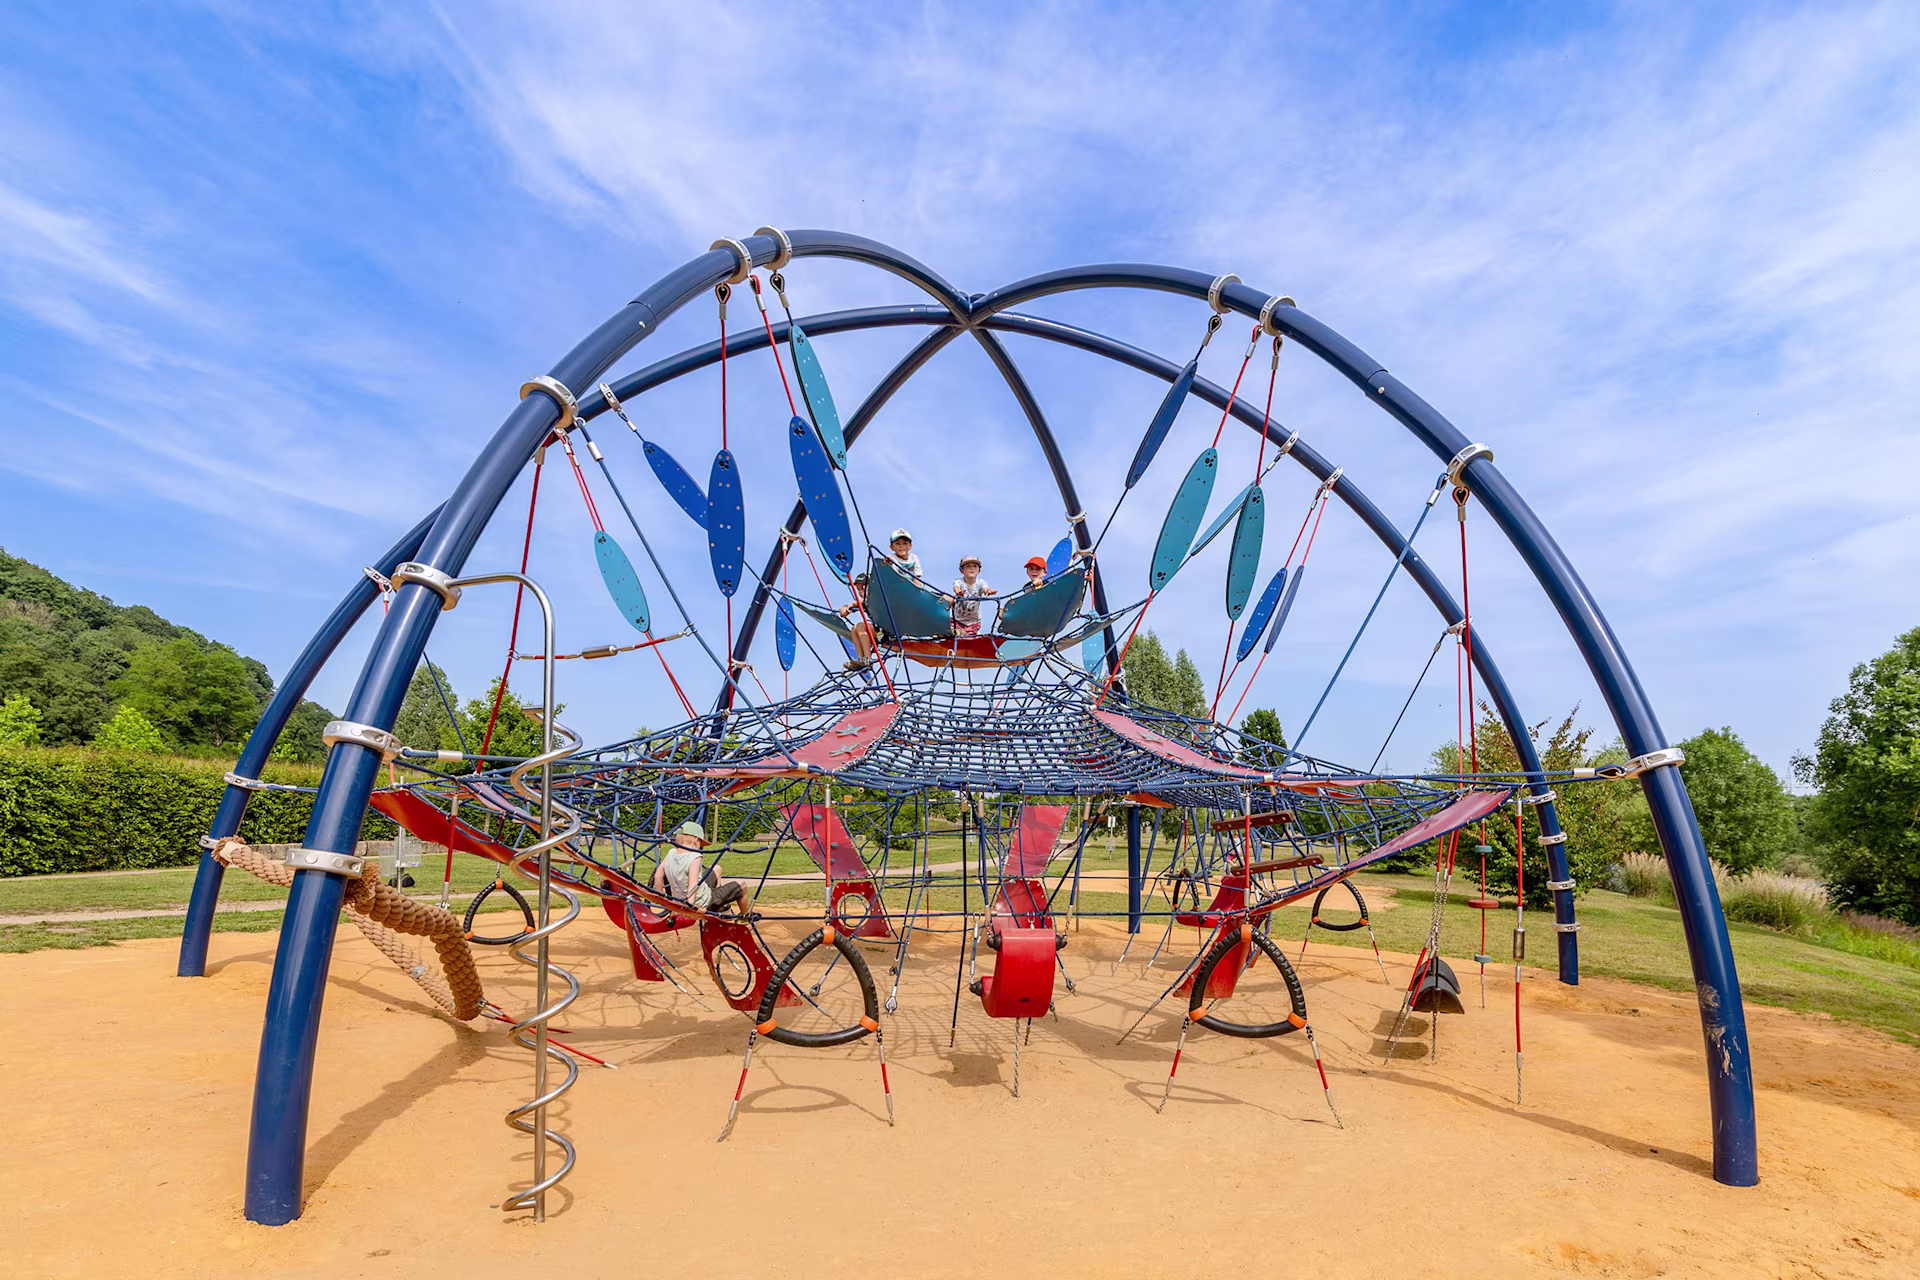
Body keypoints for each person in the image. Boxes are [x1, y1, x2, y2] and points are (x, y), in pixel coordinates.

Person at [652, 819, 744, 913]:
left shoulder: (671, 853)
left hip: (681, 898)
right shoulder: (695, 857)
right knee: (742, 885)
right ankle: (745, 916)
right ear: (696, 840)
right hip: (701, 901)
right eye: (700, 843)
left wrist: (660, 897)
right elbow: (693, 884)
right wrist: (691, 906)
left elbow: (658, 875)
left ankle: (721, 905)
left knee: (717, 868)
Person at [838, 572, 878, 667]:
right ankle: (861, 658)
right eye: (858, 590)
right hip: (877, 631)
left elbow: (862, 602)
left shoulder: (877, 598)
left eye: (863, 588)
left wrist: (853, 604)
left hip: (886, 631)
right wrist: (847, 607)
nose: (860, 592)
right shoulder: (865, 602)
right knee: (854, 628)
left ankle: (867, 659)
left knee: (860, 626)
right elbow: (854, 604)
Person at [951, 554, 996, 636]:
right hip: (957, 620)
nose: (971, 568)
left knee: (969, 638)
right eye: (968, 566)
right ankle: (953, 633)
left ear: (979, 571)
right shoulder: (959, 582)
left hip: (973, 622)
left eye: (975, 566)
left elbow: (985, 588)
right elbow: (956, 587)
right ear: (961, 570)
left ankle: (963, 634)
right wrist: (958, 591)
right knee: (952, 631)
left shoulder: (980, 583)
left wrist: (989, 591)